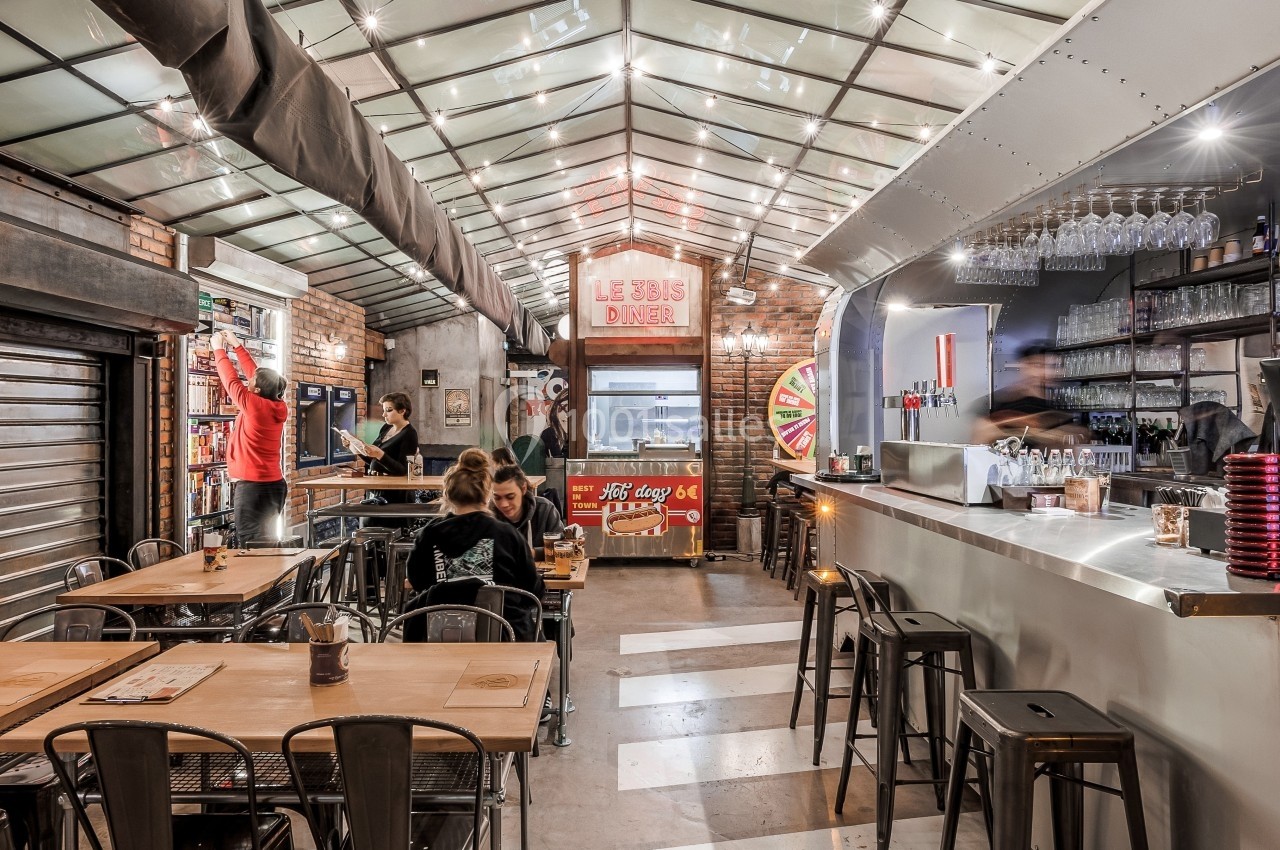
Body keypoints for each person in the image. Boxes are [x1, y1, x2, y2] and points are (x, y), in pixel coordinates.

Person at [405, 448, 544, 640]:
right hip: (505, 642)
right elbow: (533, 591)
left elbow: (418, 582)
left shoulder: (428, 535)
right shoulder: (507, 535)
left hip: (439, 642)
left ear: (448, 494)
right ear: (487, 494)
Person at [211, 329, 289, 547]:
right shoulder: (278, 405)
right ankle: (275, 580)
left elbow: (230, 380)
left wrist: (218, 348)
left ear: (257, 388)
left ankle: (257, 581)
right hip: (274, 484)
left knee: (248, 541)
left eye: (252, 380)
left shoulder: (253, 405)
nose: (249, 379)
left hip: (253, 486)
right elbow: (257, 375)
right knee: (268, 540)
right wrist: (236, 345)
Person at [971, 342, 1086, 450]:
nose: (1043, 372)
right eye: (1037, 365)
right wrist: (1038, 435)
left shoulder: (1060, 408)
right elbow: (980, 437)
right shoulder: (999, 402)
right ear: (1023, 366)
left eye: (1051, 367)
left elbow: (1072, 444)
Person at [343, 392, 419, 521]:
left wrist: (380, 455)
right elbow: (372, 458)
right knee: (366, 523)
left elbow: (402, 470)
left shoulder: (410, 434)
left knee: (384, 527)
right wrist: (355, 448)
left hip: (394, 493)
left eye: (388, 410)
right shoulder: (386, 427)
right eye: (384, 410)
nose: (384, 415)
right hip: (375, 487)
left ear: (402, 411)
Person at [492, 464, 563, 561]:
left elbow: (563, 547)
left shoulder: (545, 509)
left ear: (523, 489)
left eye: (510, 497)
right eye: (497, 498)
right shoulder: (488, 515)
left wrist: (532, 553)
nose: (504, 504)